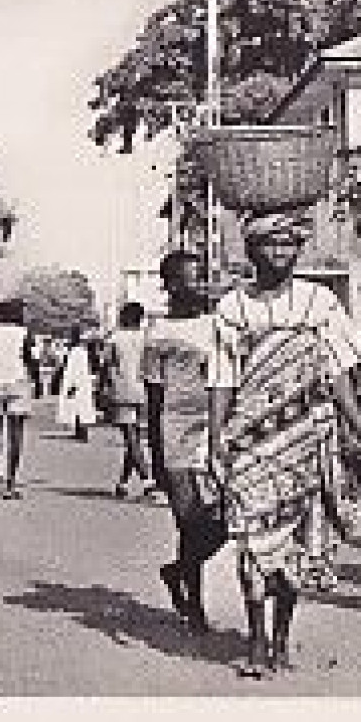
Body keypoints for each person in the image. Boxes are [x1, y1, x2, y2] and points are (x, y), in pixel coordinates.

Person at [208, 208, 361, 677]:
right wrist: (216, 436)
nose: (279, 254)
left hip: (308, 437)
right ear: (252, 251)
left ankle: (282, 636)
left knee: (297, 543)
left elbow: (340, 371)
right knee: (253, 541)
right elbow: (222, 378)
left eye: (287, 245)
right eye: (269, 245)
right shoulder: (233, 308)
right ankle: (257, 640)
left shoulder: (318, 301)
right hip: (251, 439)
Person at [148, 250, 226, 635]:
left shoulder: (218, 324)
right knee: (188, 522)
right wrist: (156, 459)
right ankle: (195, 607)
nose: (201, 284)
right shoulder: (157, 332)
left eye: (202, 276)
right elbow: (154, 397)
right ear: (173, 284)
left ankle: (176, 571)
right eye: (193, 278)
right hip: (176, 430)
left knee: (227, 518)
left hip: (216, 427)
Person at [0, 298, 39, 499]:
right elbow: (32, 361)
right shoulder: (25, 333)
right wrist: (38, 383)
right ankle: (10, 483)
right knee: (15, 435)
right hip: (18, 384)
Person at [103, 302, 160, 500]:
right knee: (134, 437)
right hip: (144, 390)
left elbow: (107, 366)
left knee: (130, 438)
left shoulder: (115, 338)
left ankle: (147, 481)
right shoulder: (147, 339)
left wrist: (103, 390)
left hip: (122, 390)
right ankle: (123, 482)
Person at [53, 328, 97, 441]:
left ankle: (82, 433)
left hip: (77, 383)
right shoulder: (80, 351)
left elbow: (75, 370)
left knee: (79, 408)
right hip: (81, 383)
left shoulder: (76, 352)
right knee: (79, 408)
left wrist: (73, 385)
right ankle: (79, 432)